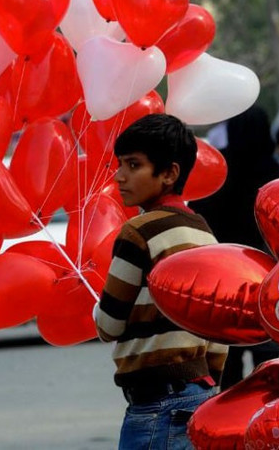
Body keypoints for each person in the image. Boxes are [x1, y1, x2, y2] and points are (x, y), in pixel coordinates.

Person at [94, 113, 229, 450]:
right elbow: (218, 328)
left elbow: (108, 325)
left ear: (169, 173)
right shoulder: (203, 231)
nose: (119, 175)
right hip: (200, 396)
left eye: (133, 165)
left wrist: (98, 307)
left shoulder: (138, 233)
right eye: (120, 164)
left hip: (154, 407)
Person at [190, 106, 279, 390]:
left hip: (226, 271)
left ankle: (232, 409)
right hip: (267, 271)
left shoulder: (221, 169)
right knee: (267, 350)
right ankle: (265, 403)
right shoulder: (274, 172)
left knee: (228, 350)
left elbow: (200, 210)